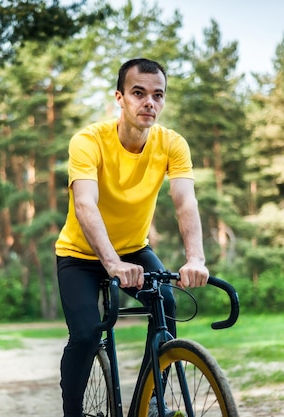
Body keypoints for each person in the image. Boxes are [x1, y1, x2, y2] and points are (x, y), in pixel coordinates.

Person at [55, 58, 209, 417]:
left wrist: (196, 258)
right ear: (119, 98)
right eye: (138, 93)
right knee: (86, 334)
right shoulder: (88, 141)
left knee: (166, 305)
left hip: (134, 250)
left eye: (158, 95)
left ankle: (152, 400)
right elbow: (85, 205)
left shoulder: (172, 144)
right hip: (79, 255)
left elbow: (185, 202)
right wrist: (110, 263)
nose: (149, 102)